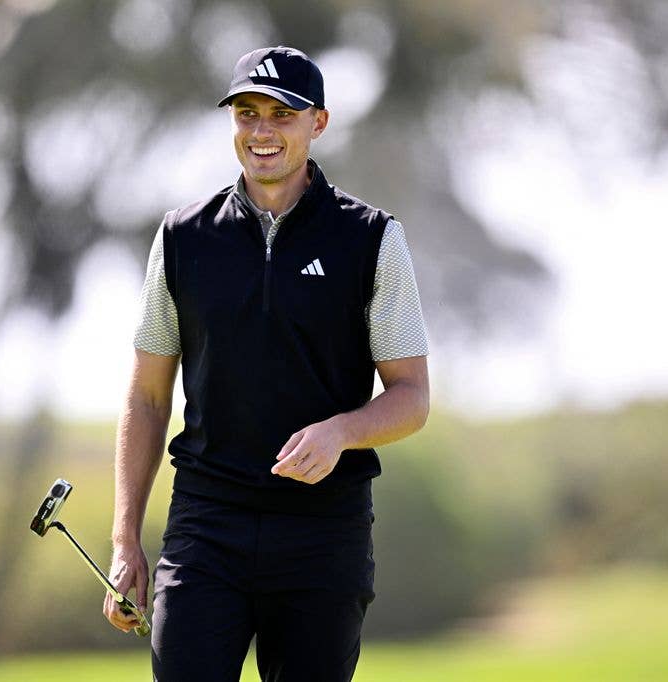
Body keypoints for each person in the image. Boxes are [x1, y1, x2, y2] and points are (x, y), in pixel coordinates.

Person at [102, 45, 430, 682]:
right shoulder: (183, 237)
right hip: (207, 527)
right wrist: (125, 543)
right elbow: (146, 397)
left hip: (322, 532)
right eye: (247, 113)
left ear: (319, 123)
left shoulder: (370, 239)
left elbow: (411, 395)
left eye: (282, 114)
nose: (261, 131)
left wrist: (340, 432)